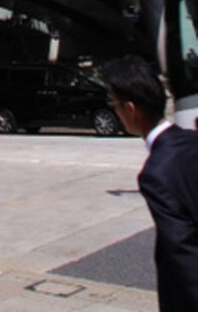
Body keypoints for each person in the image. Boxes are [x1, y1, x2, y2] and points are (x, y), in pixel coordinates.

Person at [102, 54, 198, 312]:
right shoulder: (191, 140)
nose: (115, 110)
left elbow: (183, 252)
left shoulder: (156, 174)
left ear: (130, 109)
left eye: (114, 104)